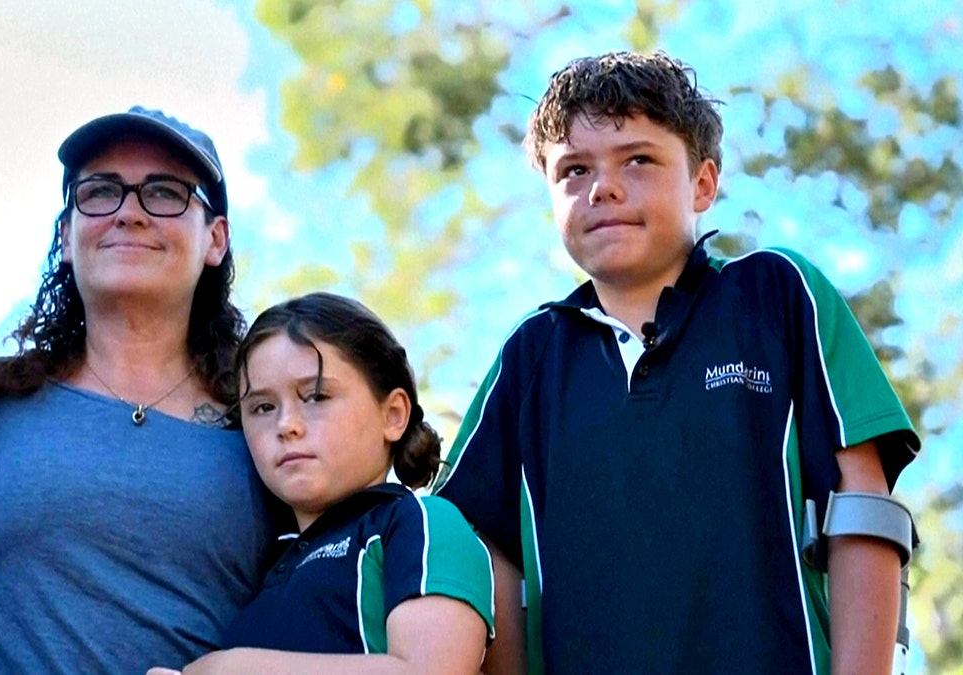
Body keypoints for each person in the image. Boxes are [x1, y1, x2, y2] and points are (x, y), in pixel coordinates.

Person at [432, 51, 920, 675]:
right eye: (573, 170)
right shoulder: (530, 358)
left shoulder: (777, 296)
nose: (601, 187)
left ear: (703, 184)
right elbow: (482, 555)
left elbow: (863, 506)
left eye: (637, 159)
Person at [0, 106, 280, 674]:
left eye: (165, 193)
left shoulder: (263, 419)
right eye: (101, 191)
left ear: (215, 239)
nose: (130, 214)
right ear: (67, 234)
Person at [150, 292, 494, 675]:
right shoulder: (262, 569)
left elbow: (435, 671)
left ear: (393, 414)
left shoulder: (421, 522)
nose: (287, 425)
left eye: (316, 396)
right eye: (263, 407)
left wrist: (231, 669)